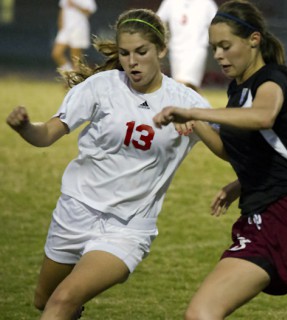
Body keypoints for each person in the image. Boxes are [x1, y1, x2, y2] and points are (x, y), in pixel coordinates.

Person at [6, 8, 221, 320]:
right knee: (45, 300)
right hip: (75, 211)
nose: (132, 61)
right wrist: (26, 127)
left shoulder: (186, 100)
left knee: (62, 301)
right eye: (124, 53)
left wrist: (196, 121)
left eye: (141, 52)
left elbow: (230, 151)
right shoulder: (102, 86)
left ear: (161, 50)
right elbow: (47, 135)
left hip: (128, 227)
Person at [153, 1, 287, 319]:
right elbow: (229, 149)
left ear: (253, 40)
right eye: (214, 48)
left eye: (226, 46)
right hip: (257, 222)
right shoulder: (237, 91)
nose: (218, 55)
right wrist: (196, 125)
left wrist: (194, 111)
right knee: (201, 313)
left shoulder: (274, 78)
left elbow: (263, 117)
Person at [156, 0, 218, 92]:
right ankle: (197, 105)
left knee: (188, 84)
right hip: (176, 50)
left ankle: (195, 105)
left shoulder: (207, 3)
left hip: (197, 48)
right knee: (179, 87)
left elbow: (217, 23)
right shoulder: (170, 2)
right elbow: (158, 20)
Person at [51, 0, 97, 72]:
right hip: (65, 28)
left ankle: (76, 79)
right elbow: (63, 9)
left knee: (75, 58)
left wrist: (75, 5)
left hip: (79, 28)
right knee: (56, 53)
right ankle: (70, 74)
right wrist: (60, 22)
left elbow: (89, 11)